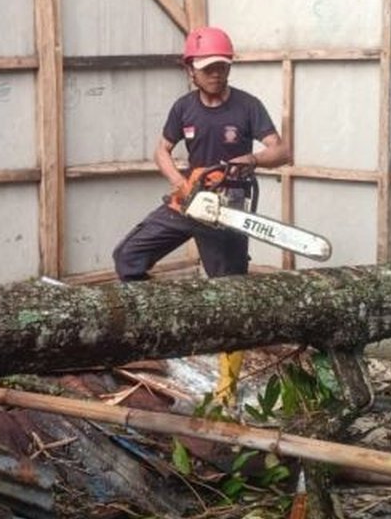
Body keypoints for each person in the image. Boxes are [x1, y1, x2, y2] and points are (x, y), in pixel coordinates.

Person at [111, 26, 290, 402]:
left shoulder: (247, 105)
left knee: (230, 295)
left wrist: (251, 158)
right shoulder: (183, 107)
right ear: (190, 68)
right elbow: (161, 150)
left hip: (228, 205)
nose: (216, 74)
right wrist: (181, 182)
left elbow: (281, 151)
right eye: (208, 68)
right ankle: (156, 334)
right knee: (128, 256)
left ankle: (227, 386)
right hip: (191, 198)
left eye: (221, 67)